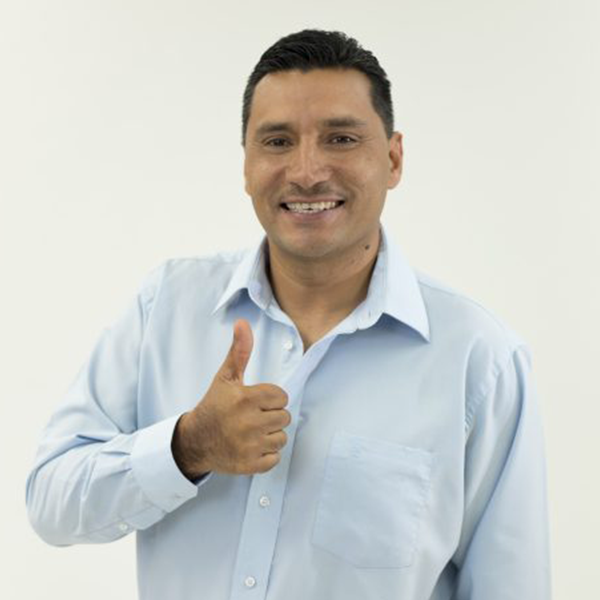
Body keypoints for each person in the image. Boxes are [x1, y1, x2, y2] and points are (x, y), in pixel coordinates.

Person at [26, 29, 551, 600]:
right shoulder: (166, 308)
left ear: (393, 158)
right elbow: (51, 500)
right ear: (247, 165)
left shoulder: (479, 360)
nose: (306, 171)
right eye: (277, 142)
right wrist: (186, 447)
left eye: (341, 139)